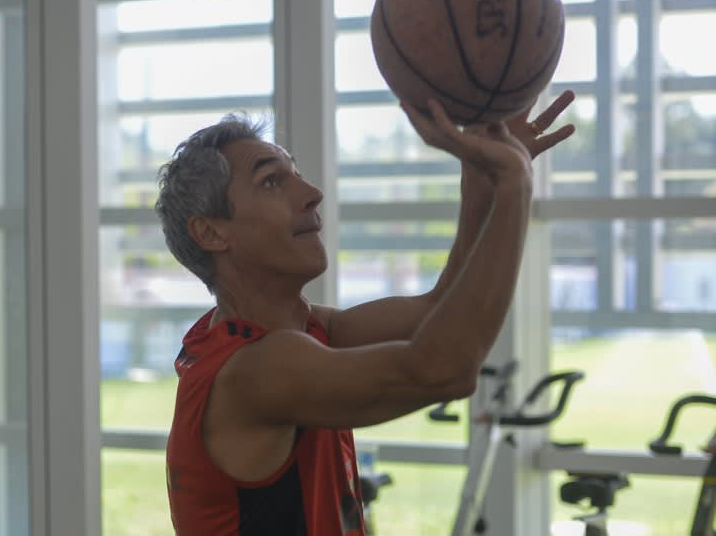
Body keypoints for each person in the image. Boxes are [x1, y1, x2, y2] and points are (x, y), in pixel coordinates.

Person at [155, 91, 576, 536]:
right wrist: (516, 183)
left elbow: (441, 308)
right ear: (210, 231)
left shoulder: (300, 330)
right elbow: (445, 370)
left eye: (296, 174)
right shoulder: (255, 371)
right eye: (272, 182)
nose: (312, 194)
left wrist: (481, 178)